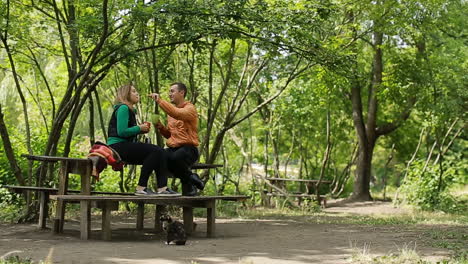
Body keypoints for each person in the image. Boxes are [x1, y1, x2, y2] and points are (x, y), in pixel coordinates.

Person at [107, 84, 180, 196]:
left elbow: (127, 131)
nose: (137, 94)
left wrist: (140, 130)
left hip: (123, 145)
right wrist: (139, 128)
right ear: (126, 94)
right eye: (134, 91)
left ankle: (162, 189)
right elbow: (121, 132)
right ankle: (141, 188)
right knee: (157, 151)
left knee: (159, 153)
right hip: (117, 146)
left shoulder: (130, 110)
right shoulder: (123, 108)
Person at [149, 82, 204, 196]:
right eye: (169, 92)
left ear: (182, 92)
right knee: (159, 156)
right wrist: (161, 127)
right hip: (174, 148)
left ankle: (189, 181)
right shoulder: (170, 114)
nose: (169, 94)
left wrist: (160, 101)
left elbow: (177, 114)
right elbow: (170, 135)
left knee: (175, 158)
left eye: (172, 91)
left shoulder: (190, 108)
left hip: (189, 149)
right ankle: (191, 179)